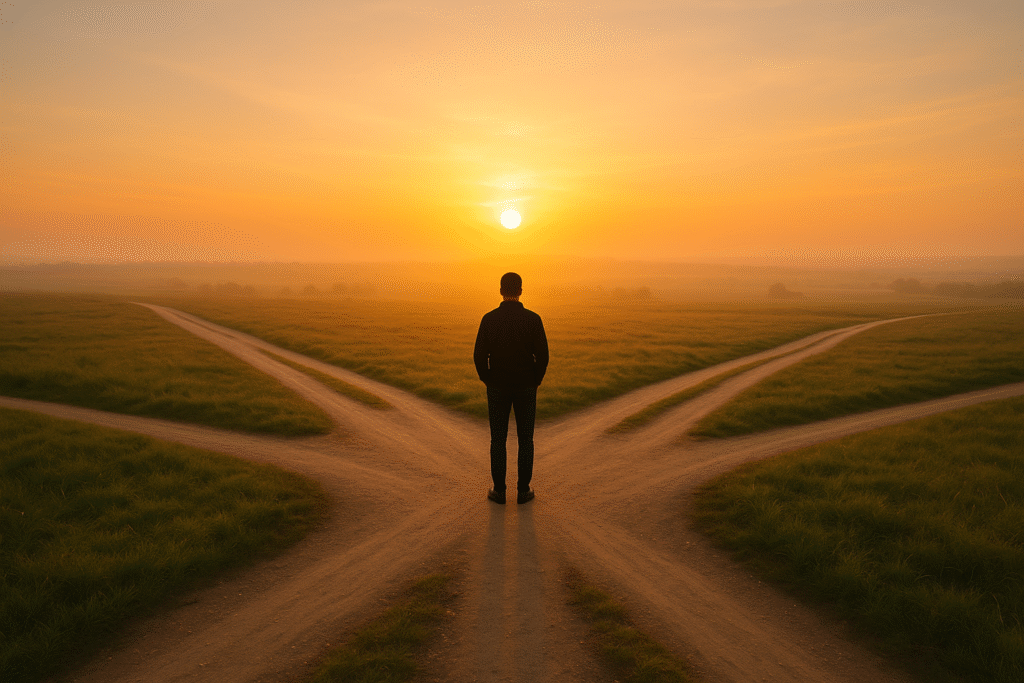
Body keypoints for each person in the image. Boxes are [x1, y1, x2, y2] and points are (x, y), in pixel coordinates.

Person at [474, 272, 549, 504]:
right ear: (521, 291)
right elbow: (543, 356)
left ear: (500, 290)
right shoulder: (533, 319)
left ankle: (499, 491)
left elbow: (479, 356)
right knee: (526, 439)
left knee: (498, 439)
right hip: (526, 386)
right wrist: (535, 380)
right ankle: (523, 491)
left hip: (497, 386)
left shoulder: (489, 319)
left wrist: (488, 379)